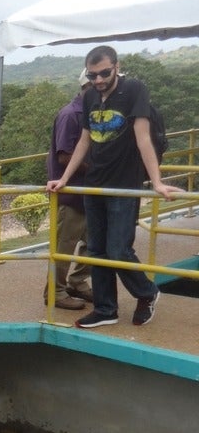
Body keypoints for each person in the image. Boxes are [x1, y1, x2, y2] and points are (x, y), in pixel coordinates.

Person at [46, 45, 179, 329]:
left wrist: (156, 181)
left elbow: (143, 137)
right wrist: (65, 178)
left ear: (116, 66)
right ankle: (107, 309)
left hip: (123, 185)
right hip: (95, 185)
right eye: (92, 75)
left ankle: (147, 292)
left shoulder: (134, 90)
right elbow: (84, 141)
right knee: (97, 251)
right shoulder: (91, 96)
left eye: (104, 73)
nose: (99, 80)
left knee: (118, 249)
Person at [44, 70, 94, 311]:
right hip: (71, 195)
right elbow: (64, 156)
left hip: (88, 194)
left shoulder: (90, 114)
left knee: (96, 244)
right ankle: (55, 291)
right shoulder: (70, 115)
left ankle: (77, 281)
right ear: (88, 86)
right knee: (63, 248)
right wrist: (98, 170)